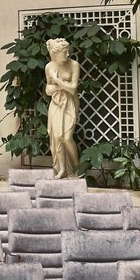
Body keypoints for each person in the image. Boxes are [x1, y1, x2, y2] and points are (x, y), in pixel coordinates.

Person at [45, 37, 80, 179]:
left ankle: (77, 169)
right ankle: (62, 169)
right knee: (57, 137)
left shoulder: (74, 65)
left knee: (67, 137)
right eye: (64, 52)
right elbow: (48, 89)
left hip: (70, 104)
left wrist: (58, 80)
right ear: (55, 53)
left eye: (67, 51)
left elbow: (72, 89)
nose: (67, 55)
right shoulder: (49, 67)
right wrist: (56, 86)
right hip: (56, 104)